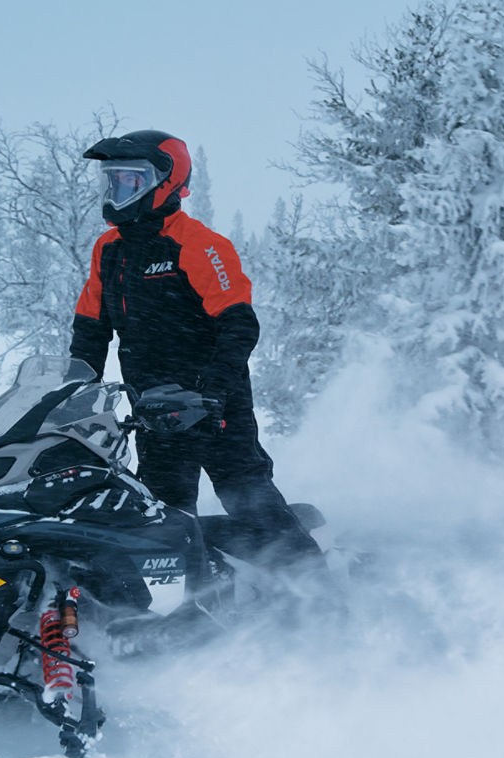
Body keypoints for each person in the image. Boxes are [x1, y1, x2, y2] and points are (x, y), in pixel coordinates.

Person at [68, 129, 321, 570]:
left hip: (213, 403)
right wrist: (74, 390)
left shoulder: (200, 244)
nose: (115, 191)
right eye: (111, 180)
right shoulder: (108, 250)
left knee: (247, 496)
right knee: (164, 514)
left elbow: (239, 325)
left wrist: (214, 390)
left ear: (165, 181)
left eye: (129, 180)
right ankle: (195, 596)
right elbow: (90, 329)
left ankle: (314, 583)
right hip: (152, 407)